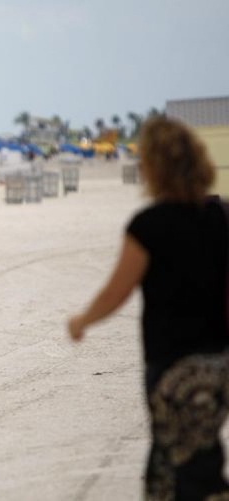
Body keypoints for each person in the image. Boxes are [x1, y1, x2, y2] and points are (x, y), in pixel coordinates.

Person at [67, 116, 229, 499]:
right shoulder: (221, 216)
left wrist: (82, 321)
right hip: (219, 365)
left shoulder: (149, 225)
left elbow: (115, 293)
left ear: (154, 168)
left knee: (179, 470)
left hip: (173, 368)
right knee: (199, 456)